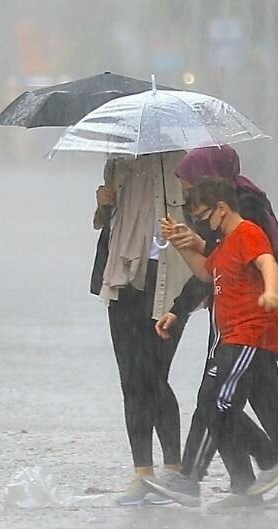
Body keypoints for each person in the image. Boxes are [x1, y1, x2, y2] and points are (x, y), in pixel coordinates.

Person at [145, 177, 278, 509]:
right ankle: (252, 481)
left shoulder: (247, 233)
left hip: (249, 335)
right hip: (238, 336)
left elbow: (267, 262)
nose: (202, 224)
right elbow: (205, 274)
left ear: (222, 209)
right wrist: (180, 244)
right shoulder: (225, 243)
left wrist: (270, 290)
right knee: (244, 403)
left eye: (204, 216)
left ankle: (272, 461)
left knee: (218, 405)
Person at [91, 152, 195, 506]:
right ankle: (142, 474)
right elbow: (107, 224)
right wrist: (104, 205)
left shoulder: (183, 164)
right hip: (123, 278)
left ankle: (174, 469)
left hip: (169, 280)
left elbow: (203, 224)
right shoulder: (118, 162)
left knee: (154, 376)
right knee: (130, 380)